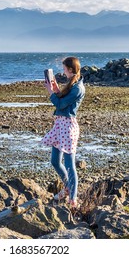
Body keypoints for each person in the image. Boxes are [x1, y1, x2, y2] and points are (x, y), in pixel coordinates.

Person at [41, 56, 85, 208]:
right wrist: (54, 88)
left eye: (65, 68)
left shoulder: (78, 88)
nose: (63, 71)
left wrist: (50, 93)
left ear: (71, 70)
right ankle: (68, 188)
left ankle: (73, 199)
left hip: (68, 127)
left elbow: (60, 104)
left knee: (70, 165)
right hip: (60, 125)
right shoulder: (72, 84)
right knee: (54, 161)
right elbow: (62, 99)